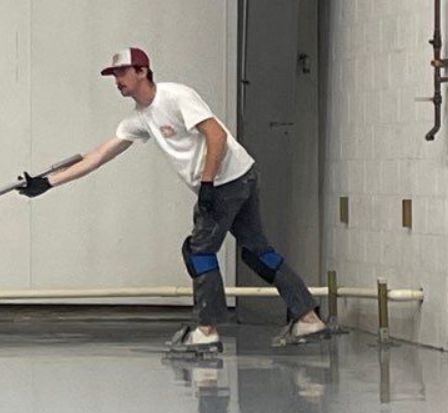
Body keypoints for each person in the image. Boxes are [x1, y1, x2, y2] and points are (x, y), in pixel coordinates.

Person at [19, 47, 331, 356]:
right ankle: (307, 317)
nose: (118, 80)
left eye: (123, 72)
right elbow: (97, 156)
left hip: (226, 181)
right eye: (114, 75)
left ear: (143, 71)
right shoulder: (141, 118)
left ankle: (206, 331)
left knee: (198, 251)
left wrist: (207, 182)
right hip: (240, 175)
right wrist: (47, 182)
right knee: (256, 251)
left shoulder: (176, 97)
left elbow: (216, 135)